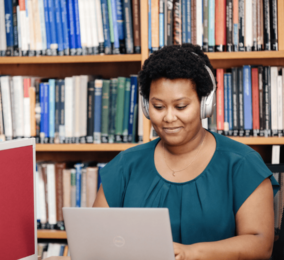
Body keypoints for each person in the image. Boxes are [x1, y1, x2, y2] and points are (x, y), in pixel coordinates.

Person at [46, 44, 279, 260]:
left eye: (181, 106)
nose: (168, 117)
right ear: (147, 107)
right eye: (158, 107)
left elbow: (260, 244)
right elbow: (98, 243)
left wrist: (190, 253)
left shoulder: (241, 163)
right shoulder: (126, 165)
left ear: (205, 104)